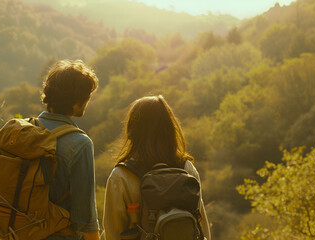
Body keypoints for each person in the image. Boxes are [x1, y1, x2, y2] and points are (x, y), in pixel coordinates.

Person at [102, 95, 211, 240]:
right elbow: (201, 225)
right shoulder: (187, 168)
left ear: (132, 130)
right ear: (170, 128)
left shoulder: (121, 176)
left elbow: (112, 233)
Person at [38, 59, 100, 240]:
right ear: (76, 102)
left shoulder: (25, 131)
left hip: (19, 231)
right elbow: (85, 217)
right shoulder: (79, 144)